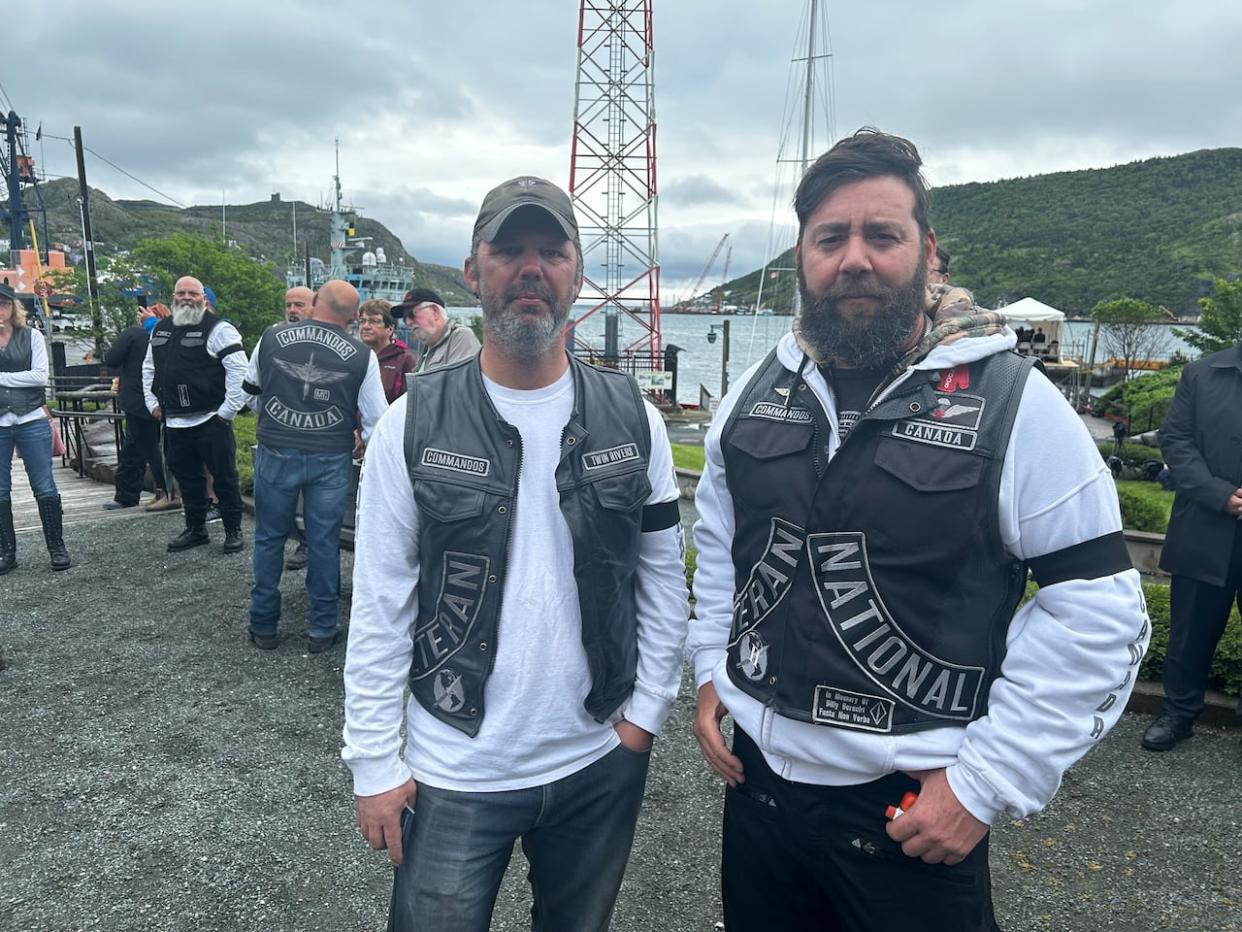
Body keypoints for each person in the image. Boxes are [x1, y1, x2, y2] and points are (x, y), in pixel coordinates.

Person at [688, 129, 1150, 932]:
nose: (854, 259)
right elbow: (727, 545)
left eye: (883, 235)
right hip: (757, 796)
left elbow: (1101, 611)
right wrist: (710, 668)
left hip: (909, 816)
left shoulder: (1015, 405)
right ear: (801, 253)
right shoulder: (755, 393)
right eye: (831, 237)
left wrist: (984, 783)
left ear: (929, 252)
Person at [342, 175, 689, 931]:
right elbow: (380, 603)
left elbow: (662, 578)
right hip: (454, 765)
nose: (531, 269)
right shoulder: (411, 425)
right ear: (473, 271)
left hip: (598, 758)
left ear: (577, 272)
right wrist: (375, 761)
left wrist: (643, 720)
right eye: (509, 250)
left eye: (551, 251)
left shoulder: (634, 418)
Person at [242, 279, 387, 652]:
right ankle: (321, 629)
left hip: (275, 450)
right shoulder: (361, 354)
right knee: (323, 542)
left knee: (269, 538)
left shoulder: (271, 337)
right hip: (331, 457)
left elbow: (249, 393)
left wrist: (278, 420)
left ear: (315, 302)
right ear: (354, 317)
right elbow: (377, 423)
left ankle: (264, 625)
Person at [1142, 341, 1242, 749]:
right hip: (1205, 525)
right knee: (1190, 632)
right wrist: (1218, 493)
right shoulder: (1201, 374)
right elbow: (1176, 440)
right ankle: (1179, 713)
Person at [142, 276, 249, 554]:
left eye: (193, 293)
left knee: (224, 478)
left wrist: (227, 411)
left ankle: (233, 530)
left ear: (204, 298)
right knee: (187, 479)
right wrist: (151, 402)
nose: (187, 297)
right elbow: (148, 368)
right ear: (173, 296)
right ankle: (196, 529)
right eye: (182, 293)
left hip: (210, 419)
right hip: (174, 420)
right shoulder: (161, 329)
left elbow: (239, 371)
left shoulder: (219, 329)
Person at [0, 282, 71, 572]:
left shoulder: (32, 336)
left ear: (13, 307)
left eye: (4, 303)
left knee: (44, 485)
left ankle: (57, 547)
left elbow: (40, 376)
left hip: (31, 418)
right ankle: (6, 553)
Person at [103, 304, 175, 512]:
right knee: (150, 446)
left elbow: (111, 358)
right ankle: (158, 491)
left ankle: (161, 491)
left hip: (136, 399)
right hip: (162, 398)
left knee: (141, 449)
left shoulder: (134, 334)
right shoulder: (172, 335)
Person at [392, 286, 480, 373]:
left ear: (435, 312)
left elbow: (459, 384)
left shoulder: (461, 337)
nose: (408, 322)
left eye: (411, 314)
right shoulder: (428, 349)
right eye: (404, 318)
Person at [357, 298, 416, 403]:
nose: (365, 326)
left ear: (390, 328)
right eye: (362, 321)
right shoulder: (355, 356)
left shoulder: (405, 360)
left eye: (373, 321)